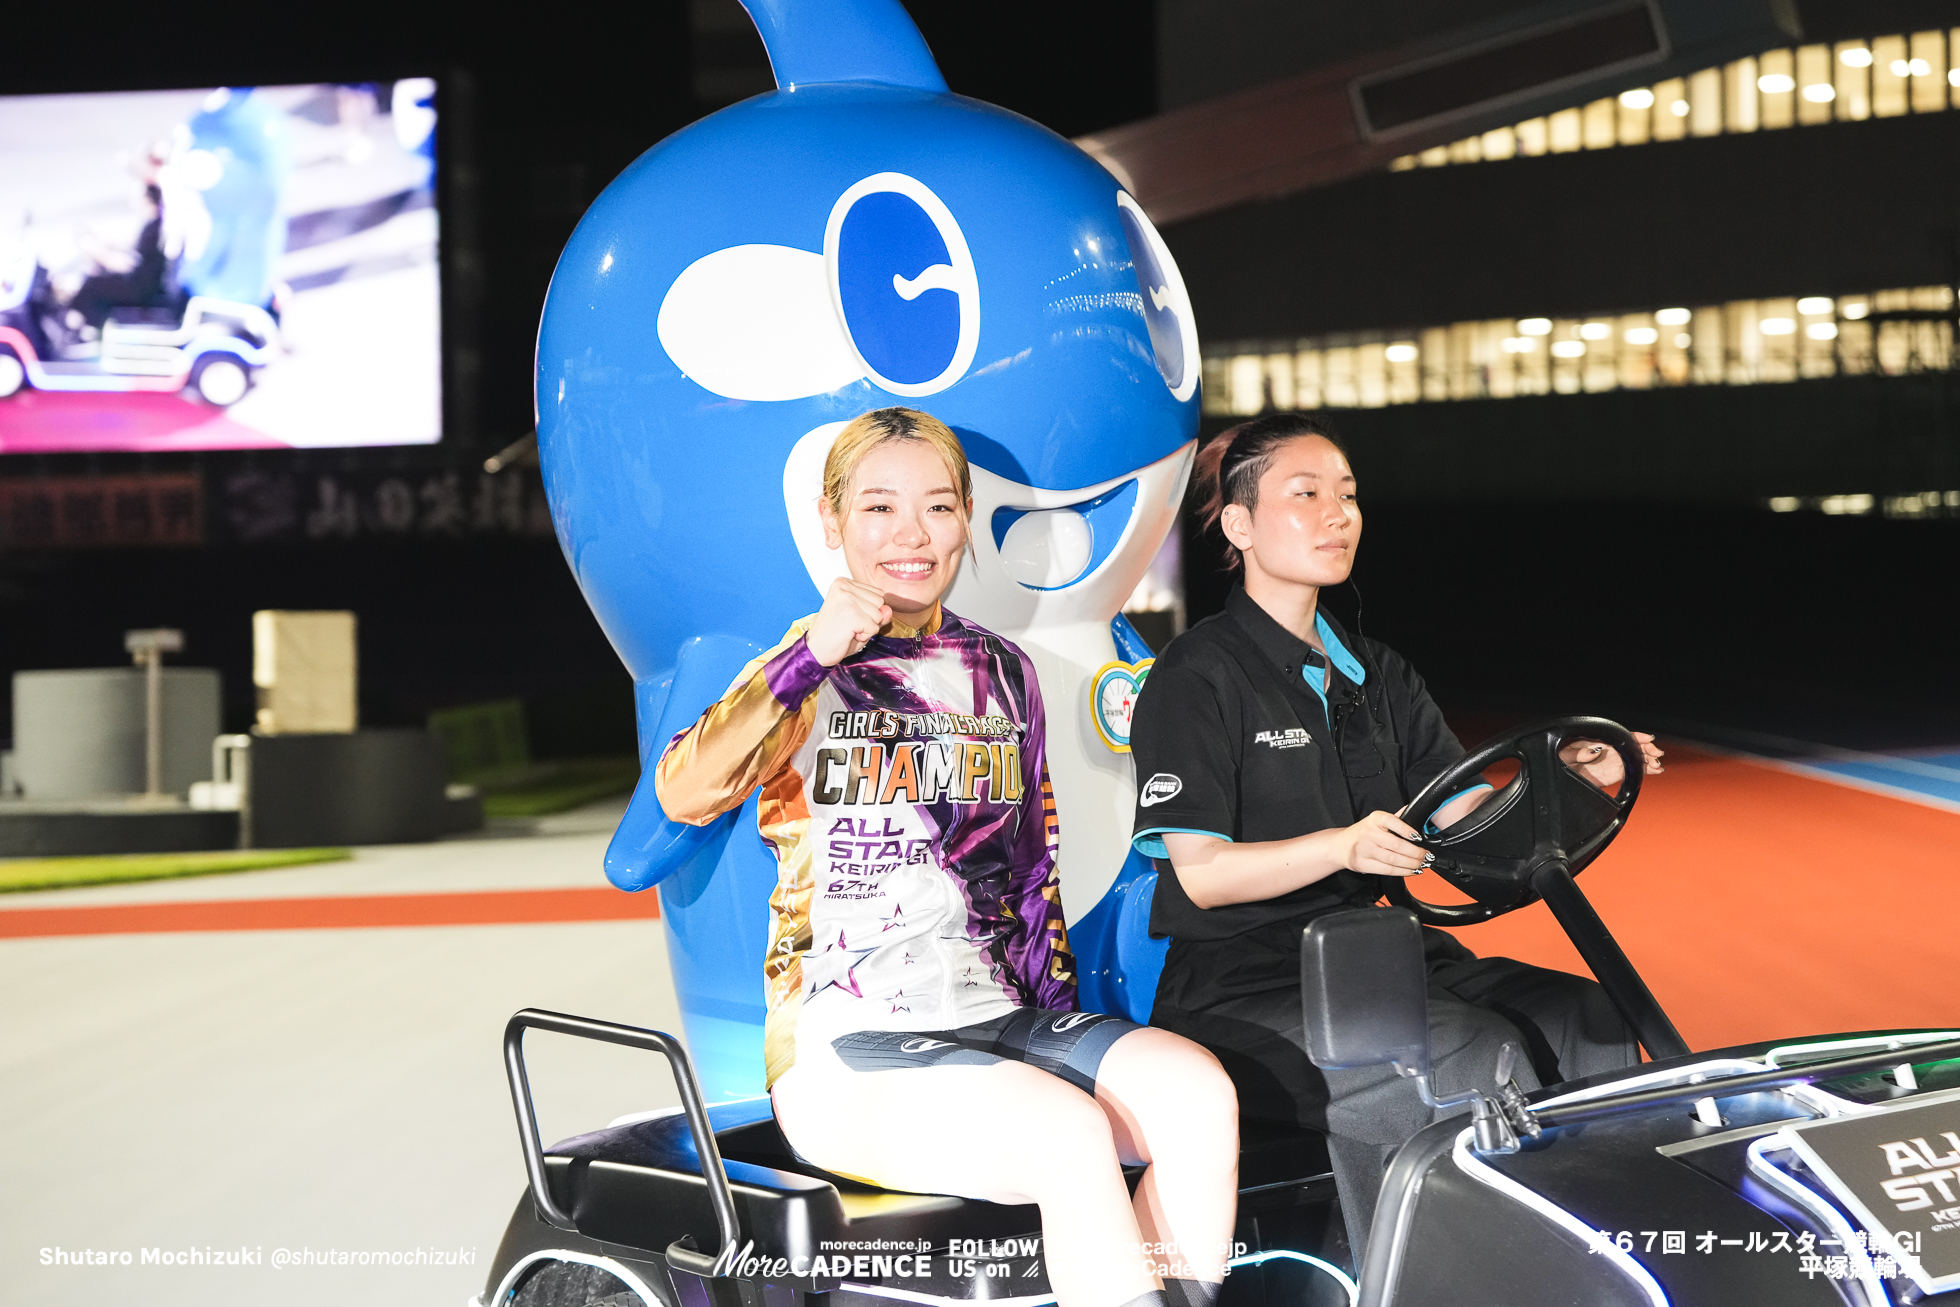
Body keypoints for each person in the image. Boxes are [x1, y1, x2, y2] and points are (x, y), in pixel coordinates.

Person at [655, 407, 1239, 1307]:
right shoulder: (799, 669)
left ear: (968, 518)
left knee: (1195, 1094)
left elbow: (1032, 873)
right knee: (1067, 1133)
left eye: (937, 507)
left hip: (994, 1018)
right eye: (879, 507)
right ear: (832, 519)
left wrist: (1059, 1032)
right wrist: (807, 654)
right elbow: (684, 791)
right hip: (850, 1044)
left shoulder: (1002, 668)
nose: (911, 534)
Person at [1126, 412, 1661, 1260]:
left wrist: (1568, 786)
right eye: (1305, 495)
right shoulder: (1196, 675)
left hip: (1386, 958)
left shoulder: (1378, 673)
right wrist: (1342, 847)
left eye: (1347, 495)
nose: (1337, 513)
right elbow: (1201, 875)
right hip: (1244, 982)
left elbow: (1468, 831)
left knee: (1592, 1014)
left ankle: (1600, 1260)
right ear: (1240, 525)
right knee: (1475, 1053)